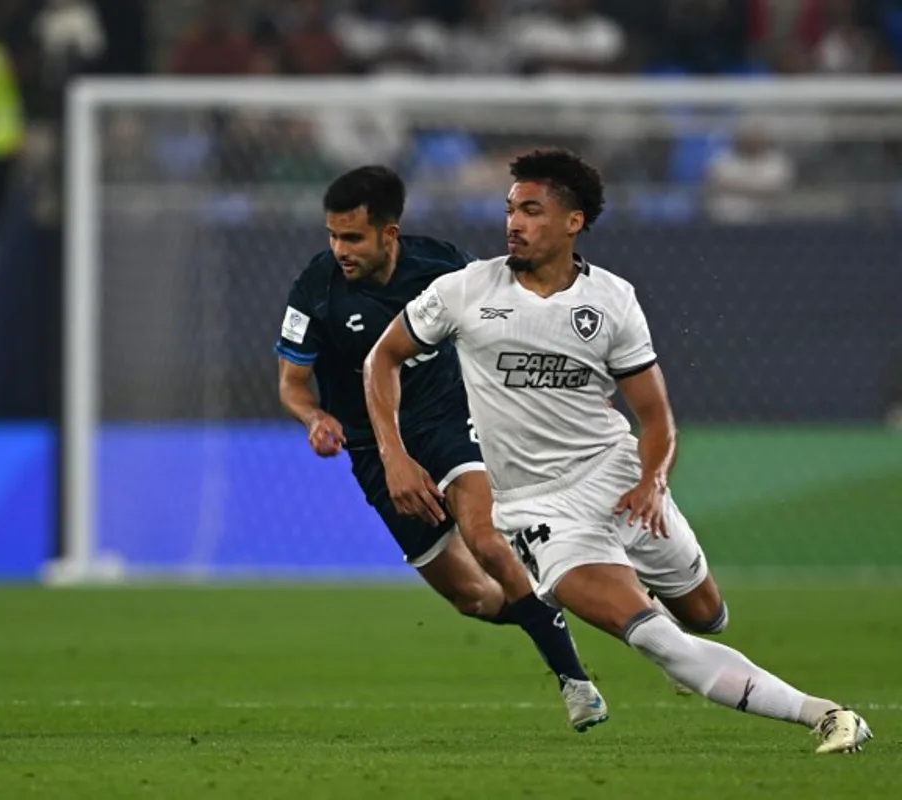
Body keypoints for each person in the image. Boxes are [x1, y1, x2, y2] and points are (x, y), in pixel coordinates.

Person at [363, 148, 871, 754]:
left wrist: (653, 481)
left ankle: (671, 618)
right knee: (657, 640)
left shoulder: (612, 301)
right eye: (510, 210)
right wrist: (394, 452)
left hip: (618, 478)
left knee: (707, 614)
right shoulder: (464, 291)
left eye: (531, 210)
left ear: (573, 222)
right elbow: (382, 358)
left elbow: (656, 418)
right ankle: (827, 714)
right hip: (540, 510)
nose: (513, 223)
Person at [276, 165, 608, 732]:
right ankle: (556, 605)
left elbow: (506, 329)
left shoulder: (443, 268)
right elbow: (291, 384)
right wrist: (314, 419)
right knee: (474, 597)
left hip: (448, 419)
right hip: (369, 446)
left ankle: (576, 682)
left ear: (389, 233)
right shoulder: (316, 287)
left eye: (352, 237)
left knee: (483, 537)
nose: (339, 250)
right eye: (332, 236)